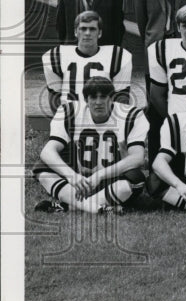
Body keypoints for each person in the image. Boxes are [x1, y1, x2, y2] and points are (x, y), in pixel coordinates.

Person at [33, 76, 147, 214]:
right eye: (93, 97)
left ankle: (70, 206)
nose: (98, 102)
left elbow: (137, 157)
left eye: (103, 97)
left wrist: (99, 176)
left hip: (111, 179)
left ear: (112, 98)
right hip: (79, 178)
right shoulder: (69, 111)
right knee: (42, 168)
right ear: (86, 100)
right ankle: (96, 208)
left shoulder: (131, 115)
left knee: (135, 179)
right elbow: (47, 151)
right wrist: (71, 175)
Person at [43, 10, 132, 113]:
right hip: (71, 117)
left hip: (103, 118)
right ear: (76, 32)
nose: (87, 33)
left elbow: (121, 101)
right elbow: (55, 100)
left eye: (92, 29)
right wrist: (64, 122)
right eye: (83, 29)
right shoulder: (56, 56)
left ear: (100, 33)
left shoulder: (118, 57)